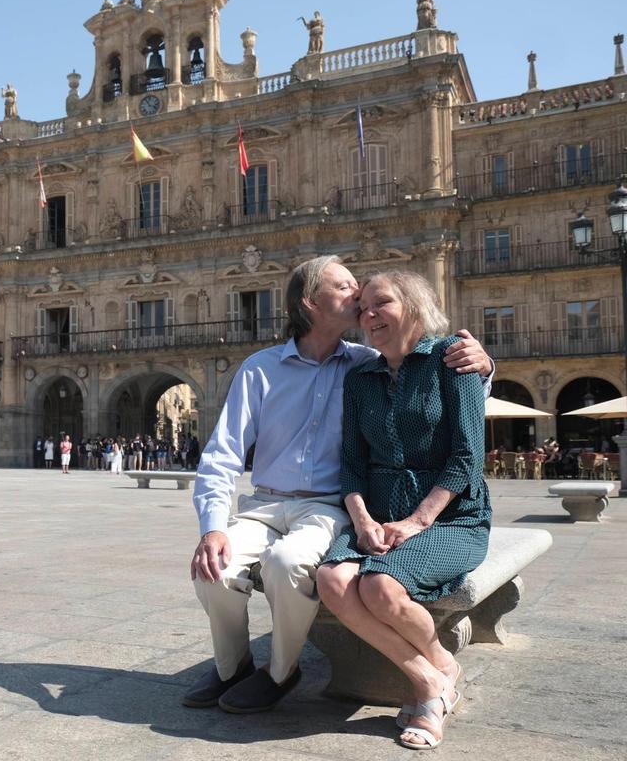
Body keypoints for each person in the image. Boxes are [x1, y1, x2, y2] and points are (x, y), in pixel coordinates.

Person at [186, 256, 491, 715]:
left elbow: (436, 386)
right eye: (348, 286)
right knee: (215, 568)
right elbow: (223, 452)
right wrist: (212, 526)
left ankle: (281, 672)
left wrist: (484, 367)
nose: (359, 296)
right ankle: (234, 667)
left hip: (328, 507)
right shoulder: (260, 369)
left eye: (368, 294)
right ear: (311, 302)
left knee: (289, 564)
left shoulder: (368, 362)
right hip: (263, 504)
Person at [317, 271, 491, 750]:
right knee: (332, 579)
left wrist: (418, 520)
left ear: (413, 305)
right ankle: (435, 675)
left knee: (380, 587)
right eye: (363, 308)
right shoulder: (360, 379)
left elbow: (466, 458)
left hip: (452, 517)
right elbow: (351, 464)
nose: (368, 315)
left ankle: (430, 685)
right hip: (377, 514)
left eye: (382, 303)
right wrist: (362, 519)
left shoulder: (451, 360)